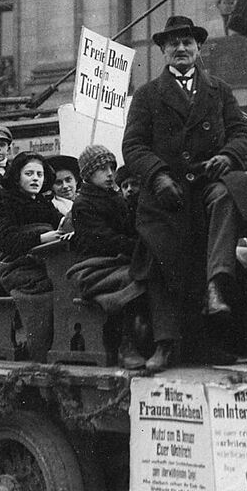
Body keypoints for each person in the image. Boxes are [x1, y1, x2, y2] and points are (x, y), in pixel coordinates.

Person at [123, 15, 247, 371]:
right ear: (163, 51)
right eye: (173, 43)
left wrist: (228, 156)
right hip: (166, 194)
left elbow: (242, 133)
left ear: (199, 48)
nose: (181, 48)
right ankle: (166, 345)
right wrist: (157, 175)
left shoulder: (219, 90)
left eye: (187, 43)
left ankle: (216, 287)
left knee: (227, 195)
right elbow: (133, 145)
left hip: (205, 185)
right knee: (162, 257)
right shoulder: (147, 95)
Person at [67, 144, 148, 369]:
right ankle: (125, 346)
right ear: (88, 174)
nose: (110, 173)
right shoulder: (82, 204)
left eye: (112, 167)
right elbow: (103, 239)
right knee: (132, 278)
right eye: (102, 169)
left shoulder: (117, 198)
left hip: (117, 262)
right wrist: (138, 247)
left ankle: (145, 342)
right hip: (92, 268)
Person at [0, 151, 66, 361]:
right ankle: (41, 351)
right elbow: (8, 242)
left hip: (46, 262)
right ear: (17, 177)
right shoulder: (3, 207)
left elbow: (62, 225)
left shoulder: (46, 206)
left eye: (39, 175)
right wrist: (41, 238)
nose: (35, 179)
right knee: (48, 288)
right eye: (29, 173)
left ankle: (66, 344)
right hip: (16, 267)